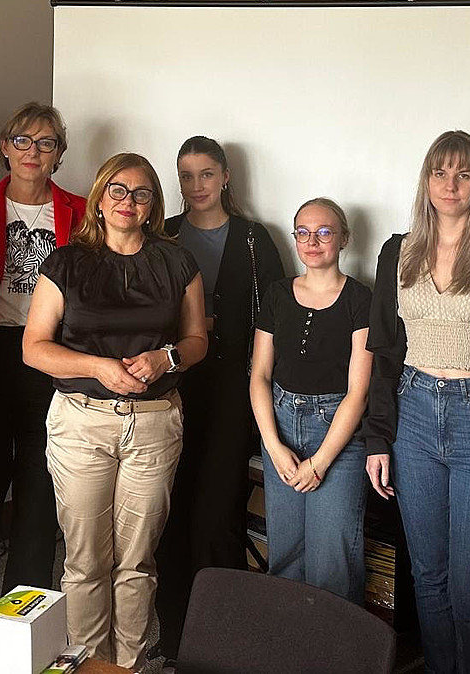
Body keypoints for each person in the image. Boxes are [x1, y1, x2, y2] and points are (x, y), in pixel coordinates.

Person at [23, 152, 206, 671]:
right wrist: (99, 367)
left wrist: (165, 357)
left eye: (141, 193)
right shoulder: (66, 262)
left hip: (153, 424)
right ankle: (88, 664)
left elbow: (197, 341)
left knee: (137, 561)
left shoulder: (177, 262)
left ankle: (130, 663)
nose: (128, 202)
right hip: (81, 423)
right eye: (118, 191)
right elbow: (34, 347)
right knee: (84, 562)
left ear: (154, 205)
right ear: (100, 199)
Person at [363, 131, 470, 674]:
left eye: (463, 173)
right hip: (412, 414)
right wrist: (378, 438)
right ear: (427, 180)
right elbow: (384, 351)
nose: (450, 184)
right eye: (440, 172)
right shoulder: (398, 251)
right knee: (427, 578)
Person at [0, 102, 87, 633]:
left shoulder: (79, 208)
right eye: (22, 141)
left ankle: (21, 628)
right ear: (5, 147)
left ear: (58, 154)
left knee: (39, 495)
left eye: (46, 143)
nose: (33, 152)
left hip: (50, 359)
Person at [155, 136, 284, 657]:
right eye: (186, 176)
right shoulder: (160, 234)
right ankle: (171, 631)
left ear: (226, 177)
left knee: (217, 510)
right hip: (170, 386)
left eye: (206, 174)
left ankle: (221, 639)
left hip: (233, 390)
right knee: (169, 507)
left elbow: (274, 315)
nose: (195, 186)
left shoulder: (255, 239)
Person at [250, 197, 373, 603]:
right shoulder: (277, 294)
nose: (312, 241)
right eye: (303, 232)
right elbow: (260, 376)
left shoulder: (361, 300)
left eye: (324, 232)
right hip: (280, 427)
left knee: (331, 561)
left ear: (344, 240)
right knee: (285, 554)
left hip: (337, 433)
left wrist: (320, 462)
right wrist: (274, 446)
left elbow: (359, 391)